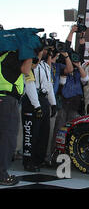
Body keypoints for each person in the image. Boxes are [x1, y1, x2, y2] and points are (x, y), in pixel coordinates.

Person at [21, 48, 57, 172]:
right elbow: (29, 84)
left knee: (43, 133)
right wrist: (36, 106)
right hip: (31, 100)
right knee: (31, 133)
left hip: (43, 99)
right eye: (43, 49)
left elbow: (49, 85)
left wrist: (53, 103)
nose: (46, 51)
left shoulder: (46, 66)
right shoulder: (29, 63)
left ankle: (39, 160)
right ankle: (28, 162)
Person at [0, 50, 32, 185]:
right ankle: (2, 175)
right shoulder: (11, 55)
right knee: (8, 139)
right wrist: (30, 51)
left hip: (5, 99)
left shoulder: (3, 56)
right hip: (7, 100)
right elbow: (26, 69)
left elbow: (32, 66)